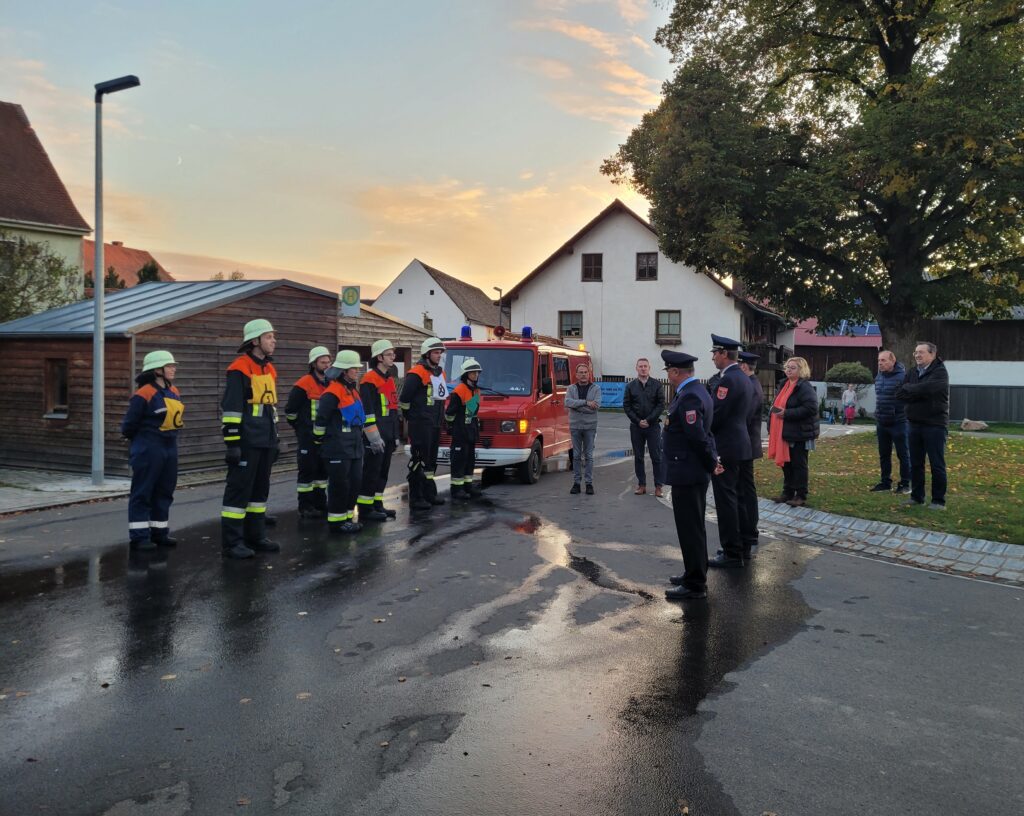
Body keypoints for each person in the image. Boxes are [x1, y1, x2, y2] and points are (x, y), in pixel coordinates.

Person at [661, 350, 719, 601]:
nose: (669, 377)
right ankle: (694, 571)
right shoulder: (696, 391)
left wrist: (711, 462)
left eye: (669, 372)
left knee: (690, 527)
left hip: (688, 470)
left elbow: (697, 436)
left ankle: (696, 584)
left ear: (675, 372)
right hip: (690, 469)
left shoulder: (689, 397)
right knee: (692, 526)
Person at [220, 319, 280, 559]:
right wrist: (232, 443)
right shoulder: (240, 368)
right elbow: (232, 408)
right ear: (255, 341)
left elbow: (269, 408)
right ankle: (232, 543)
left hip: (265, 440)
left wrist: (274, 439)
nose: (273, 341)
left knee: (259, 492)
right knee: (238, 493)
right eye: (268, 337)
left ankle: (256, 536)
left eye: (273, 337)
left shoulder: (268, 369)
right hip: (246, 441)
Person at [121, 350, 183, 550]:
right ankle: (139, 536)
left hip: (169, 446)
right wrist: (141, 444)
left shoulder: (174, 391)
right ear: (157, 370)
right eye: (169, 365)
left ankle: (159, 532)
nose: (174, 368)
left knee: (165, 491)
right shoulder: (144, 393)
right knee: (143, 492)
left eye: (173, 365)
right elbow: (128, 426)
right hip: (149, 447)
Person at [707, 334, 753, 569]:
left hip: (726, 445)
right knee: (739, 498)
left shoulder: (727, 381)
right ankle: (742, 546)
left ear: (724, 354)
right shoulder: (742, 377)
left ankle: (732, 551)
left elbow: (715, 415)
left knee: (727, 500)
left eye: (715, 353)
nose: (713, 357)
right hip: (740, 443)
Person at [315, 350, 366, 533]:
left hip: (353, 447)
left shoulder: (352, 391)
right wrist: (319, 441)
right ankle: (336, 522)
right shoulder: (332, 393)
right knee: (339, 485)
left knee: (354, 483)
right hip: (337, 448)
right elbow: (321, 420)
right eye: (354, 368)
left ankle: (346, 518)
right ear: (344, 371)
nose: (357, 371)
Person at [895, 342, 950, 509]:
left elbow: (930, 389)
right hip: (914, 424)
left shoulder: (940, 372)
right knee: (916, 463)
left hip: (934, 425)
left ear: (932, 354)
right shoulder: (912, 372)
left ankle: (938, 501)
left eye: (921, 352)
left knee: (936, 464)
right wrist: (916, 391)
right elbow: (899, 393)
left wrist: (910, 389)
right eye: (916, 352)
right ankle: (917, 497)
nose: (917, 355)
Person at [400, 337, 448, 513]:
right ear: (427, 354)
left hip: (435, 422)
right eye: (436, 353)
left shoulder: (440, 373)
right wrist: (410, 417)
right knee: (418, 460)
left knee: (431, 461)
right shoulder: (417, 373)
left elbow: (441, 399)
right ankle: (416, 497)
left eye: (440, 352)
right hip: (420, 423)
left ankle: (429, 493)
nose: (439, 355)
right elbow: (405, 399)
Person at [284, 346, 331, 519]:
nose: (327, 365)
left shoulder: (331, 383)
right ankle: (305, 506)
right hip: (307, 437)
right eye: (323, 362)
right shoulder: (303, 384)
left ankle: (320, 503)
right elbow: (290, 411)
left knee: (322, 473)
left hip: (325, 436)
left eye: (328, 361)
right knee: (307, 472)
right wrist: (300, 428)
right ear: (313, 364)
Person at [767, 356, 820, 508]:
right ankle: (788, 492)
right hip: (784, 431)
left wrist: (787, 413)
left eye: (793, 368)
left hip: (799, 432)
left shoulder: (804, 387)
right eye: (787, 367)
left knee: (799, 464)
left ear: (801, 370)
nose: (788, 370)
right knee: (787, 464)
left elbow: (811, 408)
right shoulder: (784, 384)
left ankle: (801, 495)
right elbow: (776, 405)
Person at [356, 339, 400, 521]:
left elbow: (393, 408)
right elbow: (368, 412)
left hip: (388, 433)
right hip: (376, 434)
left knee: (383, 471)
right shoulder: (369, 380)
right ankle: (365, 509)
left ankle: (377, 503)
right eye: (389, 354)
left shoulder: (388, 378)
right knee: (371, 471)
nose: (393, 357)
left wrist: (396, 435)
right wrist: (374, 437)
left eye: (393, 354)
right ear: (379, 357)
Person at [623, 357, 666, 496]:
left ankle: (659, 486)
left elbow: (661, 404)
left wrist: (648, 420)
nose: (643, 368)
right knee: (639, 457)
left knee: (656, 456)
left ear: (649, 368)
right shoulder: (630, 386)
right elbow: (627, 405)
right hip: (636, 427)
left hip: (653, 426)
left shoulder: (657, 385)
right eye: (640, 366)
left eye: (645, 366)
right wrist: (637, 421)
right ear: (636, 368)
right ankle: (641, 485)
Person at [871, 350, 911, 494]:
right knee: (884, 454)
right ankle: (885, 482)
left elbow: (909, 398)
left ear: (892, 361)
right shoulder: (879, 376)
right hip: (882, 422)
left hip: (898, 422)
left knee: (903, 454)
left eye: (883, 360)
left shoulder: (903, 377)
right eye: (879, 361)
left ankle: (905, 484)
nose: (880, 363)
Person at [737, 350, 764, 554]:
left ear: (744, 367)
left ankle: (749, 533)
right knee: (745, 489)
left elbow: (743, 418)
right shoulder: (752, 384)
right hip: (746, 444)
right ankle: (747, 531)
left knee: (745, 491)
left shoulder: (752, 387)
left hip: (745, 445)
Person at [446, 358, 484, 501]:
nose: (475, 375)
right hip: (460, 432)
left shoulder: (475, 391)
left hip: (471, 431)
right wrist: (451, 427)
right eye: (472, 373)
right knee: (459, 461)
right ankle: (457, 489)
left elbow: (473, 412)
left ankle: (468, 486)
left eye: (477, 373)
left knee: (469, 461)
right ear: (465, 374)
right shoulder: (459, 391)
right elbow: (450, 413)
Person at [565, 362, 601, 495]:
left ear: (589, 373)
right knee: (576, 455)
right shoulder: (571, 388)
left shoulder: (596, 388)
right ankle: (576, 483)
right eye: (580, 372)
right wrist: (586, 403)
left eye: (585, 372)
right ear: (576, 374)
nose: (583, 374)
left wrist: (577, 406)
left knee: (589, 456)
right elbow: (568, 402)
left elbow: (596, 406)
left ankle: (589, 483)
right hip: (575, 426)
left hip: (590, 427)